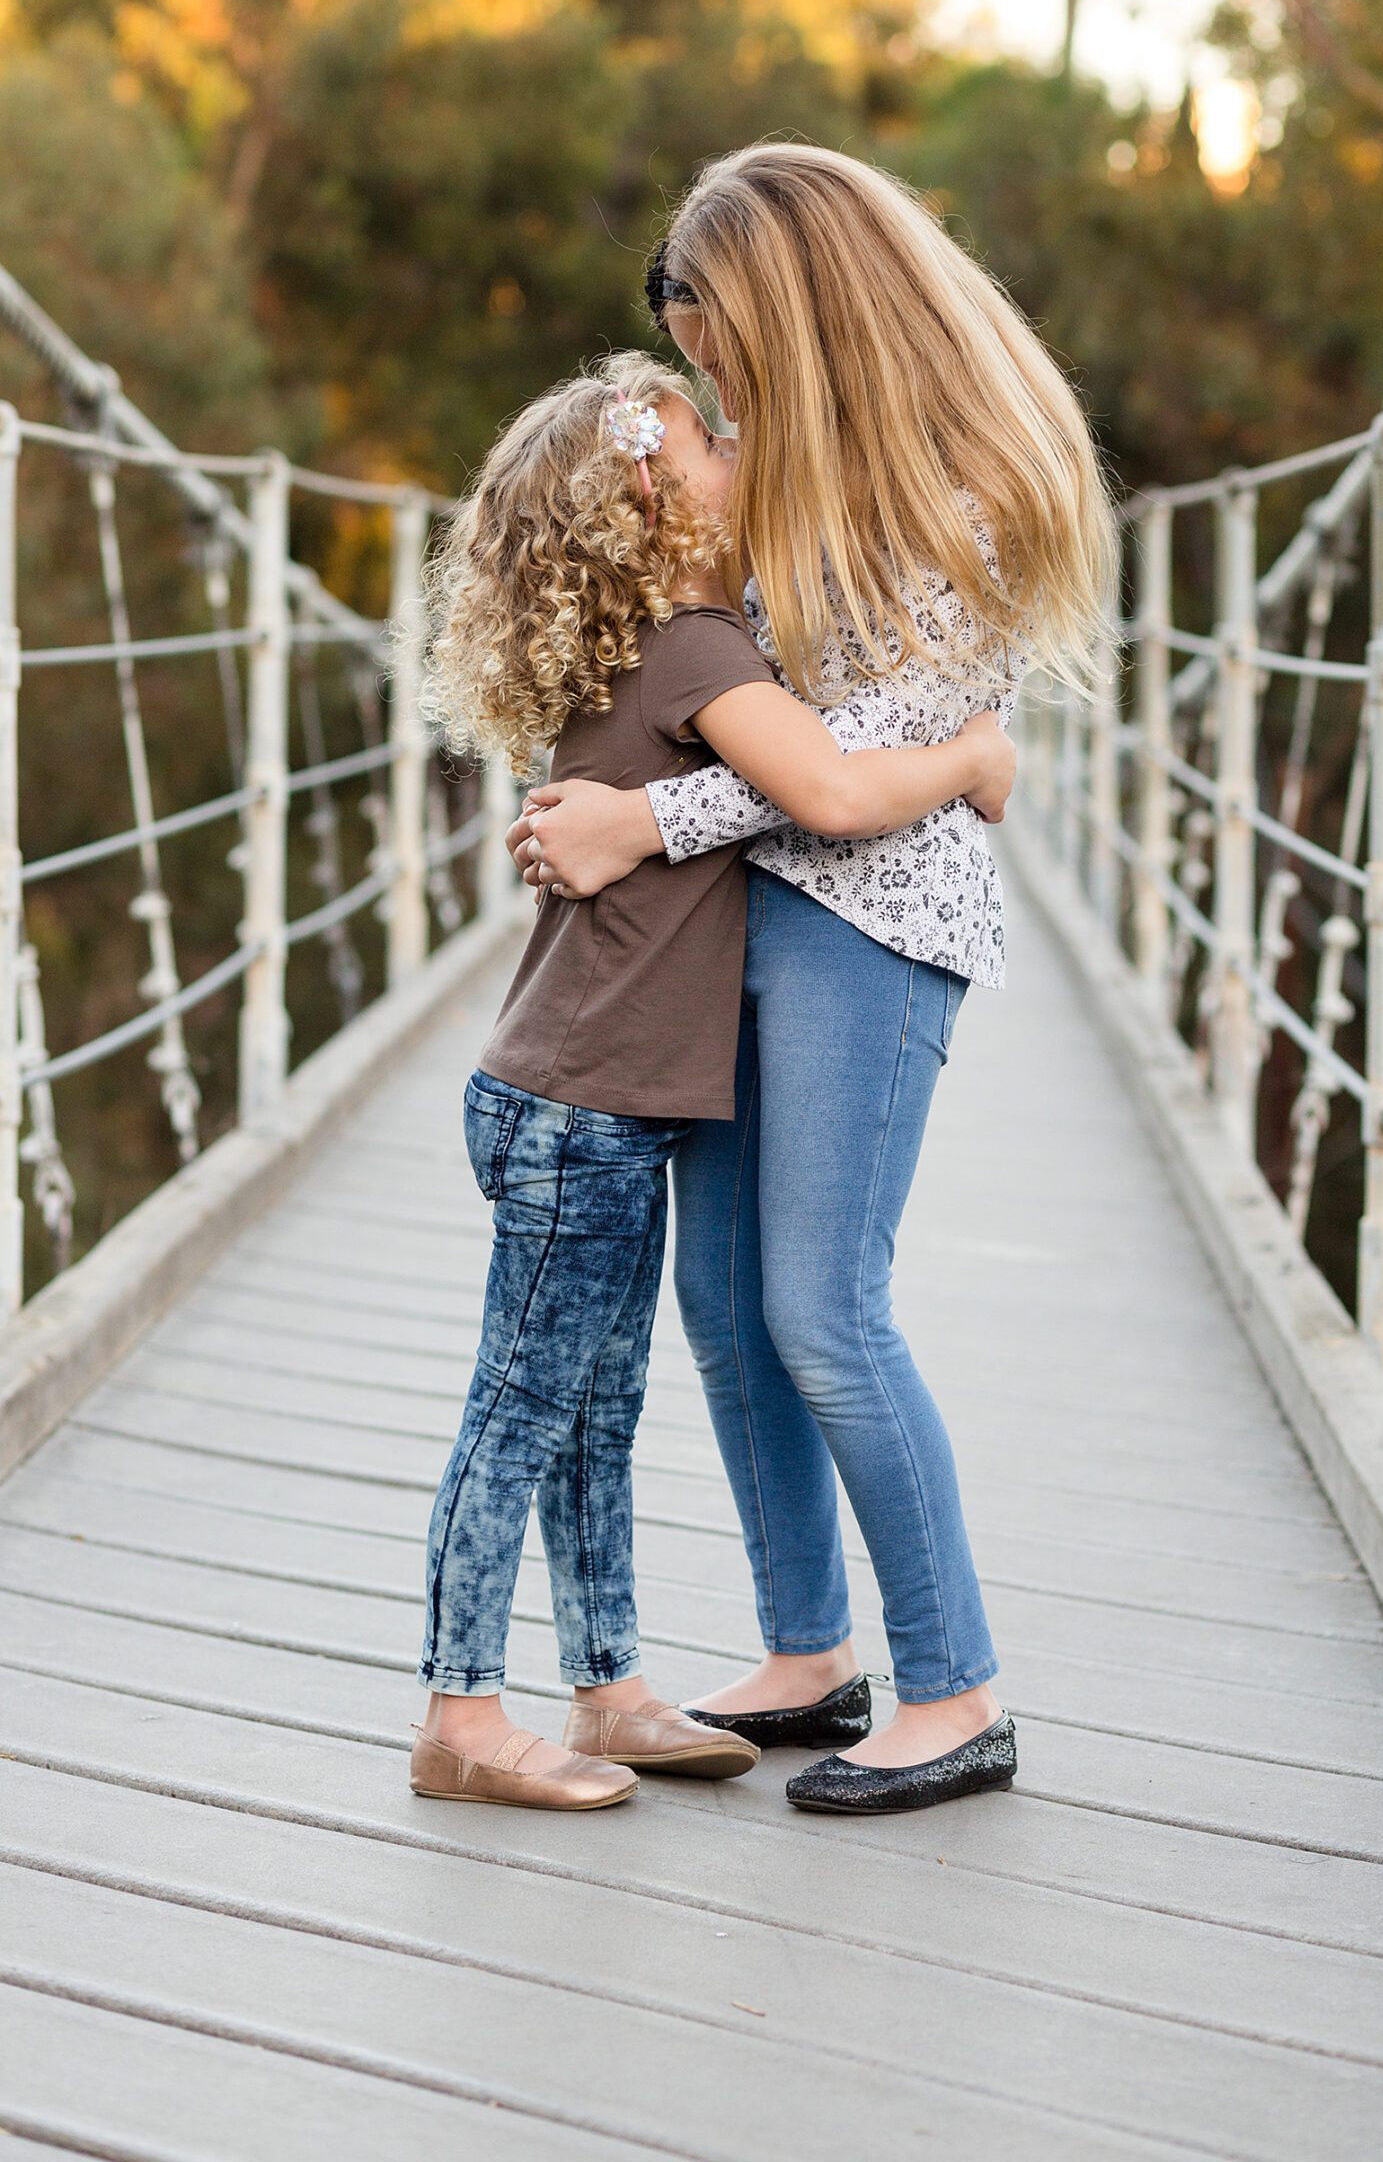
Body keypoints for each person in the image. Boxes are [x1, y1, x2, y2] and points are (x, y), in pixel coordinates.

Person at [515, 146, 1112, 1814]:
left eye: (710, 333)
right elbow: (718, 683)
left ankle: (958, 1684)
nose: (701, 373)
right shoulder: (761, 461)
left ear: (786, 303)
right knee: (724, 1307)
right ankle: (808, 1649)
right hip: (738, 916)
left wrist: (645, 815)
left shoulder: (964, 484)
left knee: (822, 1312)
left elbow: (862, 760)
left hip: (877, 923)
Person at [410, 348, 1017, 1812]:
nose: (739, 450)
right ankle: (462, 1713)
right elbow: (829, 788)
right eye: (704, 439)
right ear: (649, 498)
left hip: (581, 1094)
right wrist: (977, 758)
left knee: (594, 1408)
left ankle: (609, 1686)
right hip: (586, 1103)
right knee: (532, 1410)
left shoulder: (648, 645)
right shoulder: (696, 652)